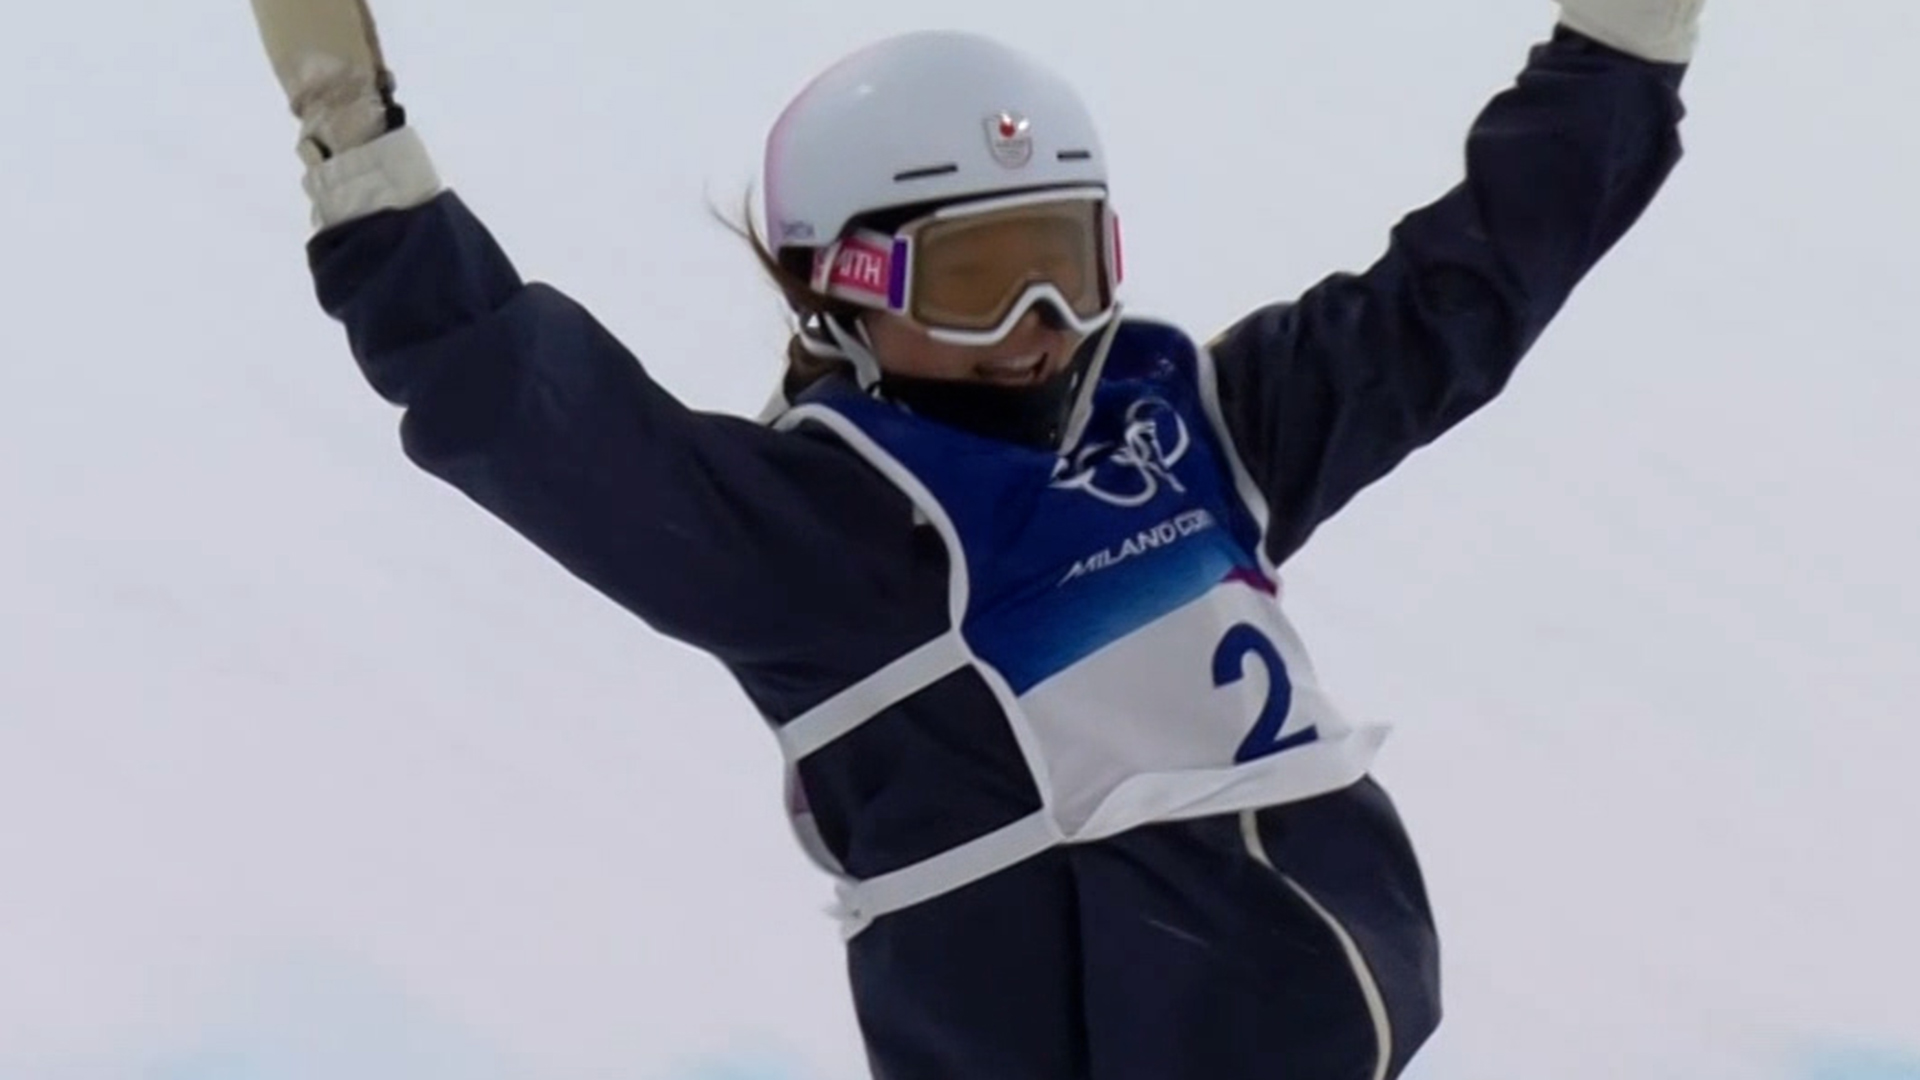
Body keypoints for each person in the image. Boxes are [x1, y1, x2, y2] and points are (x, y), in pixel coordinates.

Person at [246, 1, 1701, 1077]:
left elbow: (1460, 292)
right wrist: (359, 146)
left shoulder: (1197, 429)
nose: (1036, 328)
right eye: (977, 283)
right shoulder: (821, 544)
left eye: (1064, 268)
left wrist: (1623, 47)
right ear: (843, 285)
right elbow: (526, 408)